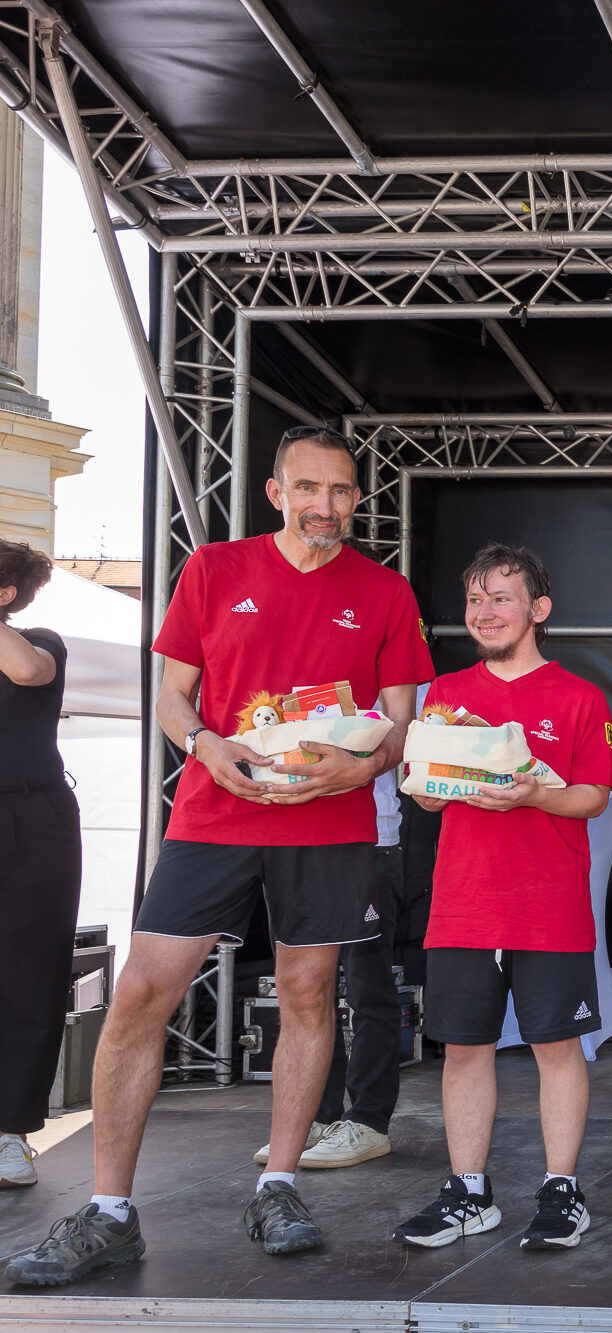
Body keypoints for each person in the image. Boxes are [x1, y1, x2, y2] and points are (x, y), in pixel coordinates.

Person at [4, 427, 432, 1286]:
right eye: (308, 488)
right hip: (213, 814)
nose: (326, 505)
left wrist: (362, 763)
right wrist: (204, 745)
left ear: (357, 499)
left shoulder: (385, 591)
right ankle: (110, 1212)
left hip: (330, 822)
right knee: (137, 996)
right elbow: (172, 696)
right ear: (276, 492)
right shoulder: (214, 571)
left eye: (342, 491)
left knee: (309, 996)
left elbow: (401, 720)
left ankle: (279, 1184)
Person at [394, 544, 612, 1251]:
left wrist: (536, 792)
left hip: (549, 905)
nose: (485, 612)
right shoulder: (447, 693)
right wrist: (426, 786)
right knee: (464, 1050)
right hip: (462, 904)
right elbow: (424, 790)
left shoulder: (579, 696)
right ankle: (469, 1192)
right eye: (475, 600)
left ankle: (561, 1191)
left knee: (557, 1048)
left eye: (501, 598)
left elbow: (591, 796)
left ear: (538, 610)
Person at [252, 767, 411, 1172]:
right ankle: (316, 1116)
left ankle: (369, 1121)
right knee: (306, 990)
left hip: (371, 839)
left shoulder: (401, 699)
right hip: (298, 842)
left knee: (368, 987)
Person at [0, 540, 78, 1191]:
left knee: (28, 971)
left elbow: (28, 672)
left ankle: (10, 1130)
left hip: (32, 818)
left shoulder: (38, 639)